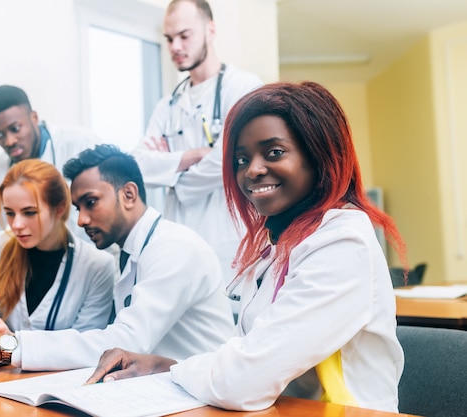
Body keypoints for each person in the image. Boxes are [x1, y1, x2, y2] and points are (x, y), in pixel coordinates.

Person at [86, 82, 408, 413]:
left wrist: (169, 370)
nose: (252, 170)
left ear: (319, 155)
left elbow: (241, 382)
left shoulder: (342, 243)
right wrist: (161, 365)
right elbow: (250, 356)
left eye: (275, 152)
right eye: (241, 159)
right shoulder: (277, 245)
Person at [0, 144, 234, 370]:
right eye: (78, 207)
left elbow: (124, 342)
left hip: (205, 399)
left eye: (91, 202)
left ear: (129, 195)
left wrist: (9, 344)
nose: (81, 220)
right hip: (164, 387)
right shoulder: (133, 254)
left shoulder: (173, 248)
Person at [132, 0, 262, 305]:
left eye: (184, 36)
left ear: (210, 30)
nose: (175, 46)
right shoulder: (168, 106)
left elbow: (228, 161)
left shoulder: (243, 88)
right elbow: (138, 165)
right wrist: (192, 155)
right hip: (178, 244)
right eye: (168, 39)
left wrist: (170, 174)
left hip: (228, 242)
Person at [0, 159, 115, 349]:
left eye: (29, 213)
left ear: (60, 209)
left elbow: (85, 346)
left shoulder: (97, 266)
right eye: (10, 213)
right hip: (1, 376)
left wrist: (11, 342)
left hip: (62, 378)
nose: (16, 225)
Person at [0, 84, 100, 233]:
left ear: (34, 118)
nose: (9, 141)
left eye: (15, 129)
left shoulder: (82, 143)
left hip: (96, 249)